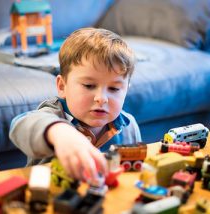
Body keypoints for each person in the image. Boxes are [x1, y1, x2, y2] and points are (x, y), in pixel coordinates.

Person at [9, 27, 141, 181]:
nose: (101, 98)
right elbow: (19, 126)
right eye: (89, 85)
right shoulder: (53, 114)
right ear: (62, 86)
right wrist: (59, 133)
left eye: (114, 88)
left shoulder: (128, 125)